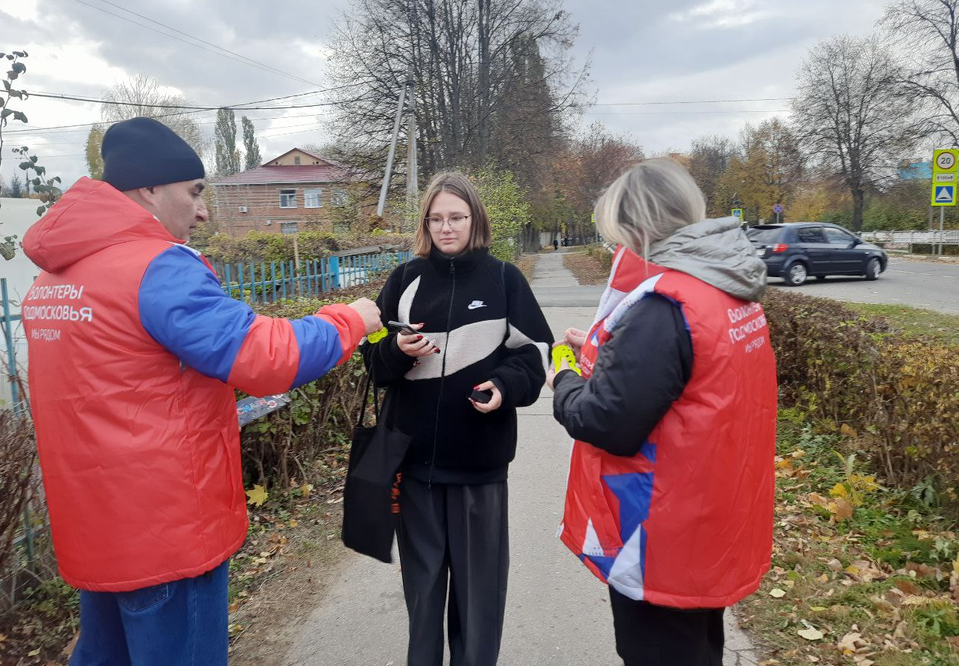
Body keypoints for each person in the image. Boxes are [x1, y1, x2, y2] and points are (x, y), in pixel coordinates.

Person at [20, 117, 382, 666]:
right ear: (149, 189)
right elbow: (264, 356)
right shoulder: (156, 267)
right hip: (168, 535)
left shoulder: (53, 281)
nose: (204, 210)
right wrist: (348, 319)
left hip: (96, 533)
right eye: (194, 192)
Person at [546, 158, 777, 666]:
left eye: (617, 236)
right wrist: (613, 352)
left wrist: (563, 380)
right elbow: (693, 379)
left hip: (661, 534)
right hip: (710, 515)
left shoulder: (664, 305)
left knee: (658, 651)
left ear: (635, 227)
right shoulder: (724, 289)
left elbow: (607, 422)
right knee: (698, 647)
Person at [361, 171, 552, 666]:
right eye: (437, 218)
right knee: (423, 594)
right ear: (426, 222)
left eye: (457, 217)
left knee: (478, 598)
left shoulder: (505, 279)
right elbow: (375, 365)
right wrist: (399, 352)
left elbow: (535, 355)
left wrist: (505, 386)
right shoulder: (404, 280)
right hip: (415, 465)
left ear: (475, 220)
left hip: (479, 468)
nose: (447, 228)